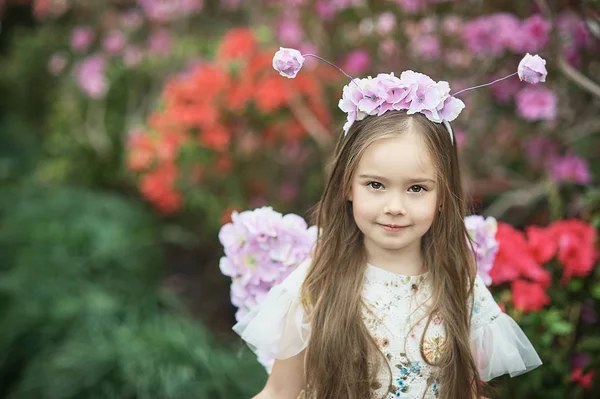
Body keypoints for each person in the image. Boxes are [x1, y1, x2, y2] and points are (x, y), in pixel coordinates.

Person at [233, 49, 547, 399]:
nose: (394, 207)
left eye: (416, 188)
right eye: (376, 185)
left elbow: (468, 390)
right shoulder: (316, 284)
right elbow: (278, 392)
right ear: (346, 185)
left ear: (442, 195)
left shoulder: (459, 283)